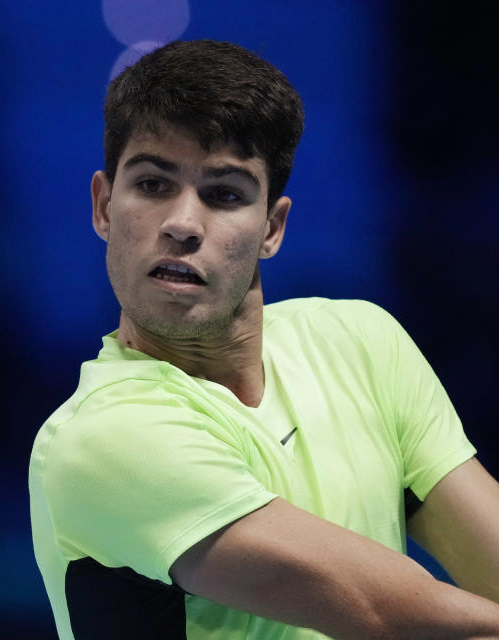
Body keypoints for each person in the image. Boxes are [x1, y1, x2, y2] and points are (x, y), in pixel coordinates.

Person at [28, 39, 499, 639]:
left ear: (272, 227)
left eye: (224, 194)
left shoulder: (359, 341)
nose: (182, 224)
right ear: (103, 206)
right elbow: (391, 617)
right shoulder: (100, 439)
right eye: (152, 184)